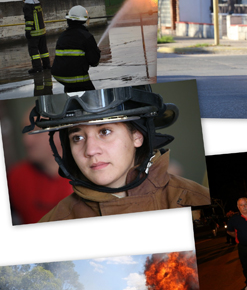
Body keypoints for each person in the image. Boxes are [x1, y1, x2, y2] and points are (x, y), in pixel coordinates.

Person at [20, 86, 210, 222]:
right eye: (77, 138)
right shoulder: (53, 224)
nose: (91, 150)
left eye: (105, 132)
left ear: (137, 135)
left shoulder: (196, 200)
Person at [7, 109, 74, 225]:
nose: (26, 141)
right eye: (25, 132)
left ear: (59, 132)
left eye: (35, 132)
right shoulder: (15, 177)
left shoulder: (87, 173)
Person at [51, 5, 101, 92]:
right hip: (78, 80)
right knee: (93, 98)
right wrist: (97, 52)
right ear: (84, 20)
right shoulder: (87, 36)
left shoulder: (62, 36)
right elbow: (94, 62)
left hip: (61, 78)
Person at [22, 0, 50, 74]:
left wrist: (28, 31)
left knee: (34, 52)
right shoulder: (38, 3)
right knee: (44, 50)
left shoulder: (27, 5)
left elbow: (29, 19)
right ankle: (47, 65)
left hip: (33, 33)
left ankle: (37, 68)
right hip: (42, 31)